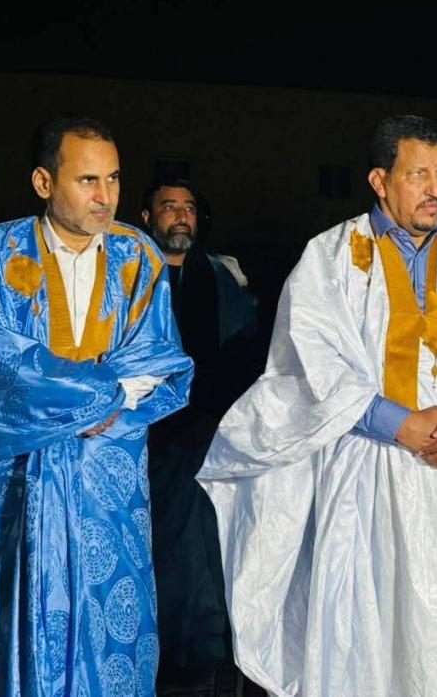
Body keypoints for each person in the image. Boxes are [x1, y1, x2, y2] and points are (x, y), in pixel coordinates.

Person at [197, 115, 437, 696]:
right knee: (370, 646)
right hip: (372, 480)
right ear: (380, 180)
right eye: (418, 174)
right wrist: (400, 424)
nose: (435, 188)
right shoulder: (332, 257)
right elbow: (307, 366)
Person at [0, 116, 193, 695]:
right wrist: (96, 396)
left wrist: (105, 402)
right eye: (88, 180)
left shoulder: (137, 255)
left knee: (111, 625)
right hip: (17, 483)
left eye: (114, 178)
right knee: (7, 622)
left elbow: (154, 356)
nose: (106, 196)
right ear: (44, 182)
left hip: (108, 478)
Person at [139, 178, 261, 694]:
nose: (181, 215)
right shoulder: (130, 272)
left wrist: (211, 416)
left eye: (189, 207)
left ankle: (206, 658)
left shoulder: (219, 276)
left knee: (207, 548)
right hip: (142, 438)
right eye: (169, 207)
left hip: (209, 435)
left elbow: (244, 352)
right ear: (148, 218)